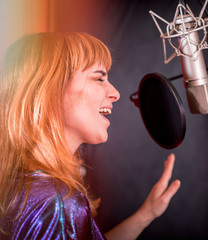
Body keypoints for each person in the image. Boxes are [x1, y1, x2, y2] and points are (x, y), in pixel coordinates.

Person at [0, 32, 181, 239]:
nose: (115, 93)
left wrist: (146, 215)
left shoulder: (22, 187)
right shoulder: (58, 202)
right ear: (49, 90)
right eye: (99, 78)